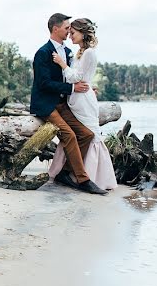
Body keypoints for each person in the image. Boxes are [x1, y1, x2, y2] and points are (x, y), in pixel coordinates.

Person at [29, 13, 108, 195]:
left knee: (87, 135)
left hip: (64, 104)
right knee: (70, 136)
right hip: (46, 105)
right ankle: (83, 179)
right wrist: (73, 89)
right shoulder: (42, 53)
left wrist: (86, 88)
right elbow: (43, 84)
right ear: (55, 29)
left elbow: (77, 73)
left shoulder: (69, 52)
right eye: (66, 28)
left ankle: (65, 172)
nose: (68, 32)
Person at [49, 18, 117, 190]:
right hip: (75, 99)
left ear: (83, 33)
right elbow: (76, 76)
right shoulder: (80, 52)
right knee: (76, 135)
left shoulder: (89, 53)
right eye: (69, 32)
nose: (70, 36)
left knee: (91, 135)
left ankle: (95, 176)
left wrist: (61, 63)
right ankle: (66, 172)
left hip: (83, 101)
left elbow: (76, 77)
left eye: (73, 33)